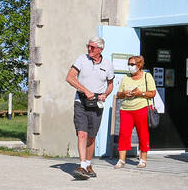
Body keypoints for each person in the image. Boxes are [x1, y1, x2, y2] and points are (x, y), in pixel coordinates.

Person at [65, 37, 115, 180]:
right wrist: (84, 90)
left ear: (100, 49)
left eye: (92, 47)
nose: (89, 49)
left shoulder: (108, 65)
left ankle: (88, 164)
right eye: (88, 46)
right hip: (81, 101)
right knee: (82, 134)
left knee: (91, 136)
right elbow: (70, 78)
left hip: (97, 104)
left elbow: (110, 84)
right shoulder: (81, 59)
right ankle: (82, 165)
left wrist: (105, 94)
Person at [114, 55, 156, 169]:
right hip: (126, 109)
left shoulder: (147, 76)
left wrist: (140, 93)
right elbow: (118, 94)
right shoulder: (125, 78)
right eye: (129, 64)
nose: (130, 67)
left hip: (141, 108)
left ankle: (143, 159)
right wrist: (124, 93)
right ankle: (121, 160)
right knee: (123, 134)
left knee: (142, 133)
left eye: (132, 64)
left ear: (139, 65)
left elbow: (152, 93)